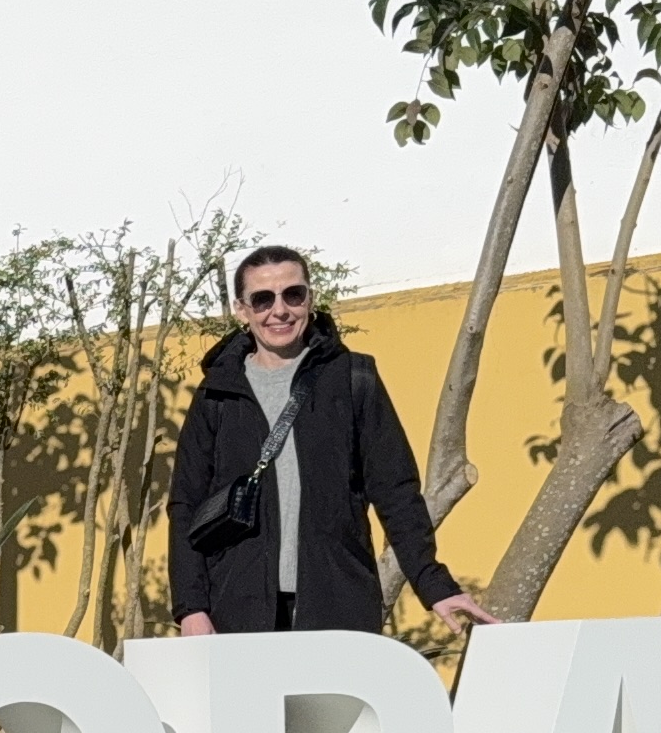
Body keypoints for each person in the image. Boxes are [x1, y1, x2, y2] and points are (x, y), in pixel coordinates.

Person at [171, 242, 500, 638]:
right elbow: (186, 503)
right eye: (262, 299)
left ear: (310, 299)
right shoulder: (218, 393)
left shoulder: (353, 378)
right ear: (242, 310)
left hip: (338, 603)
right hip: (236, 609)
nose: (280, 310)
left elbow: (396, 491)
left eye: (293, 294)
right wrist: (191, 607)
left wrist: (435, 585)